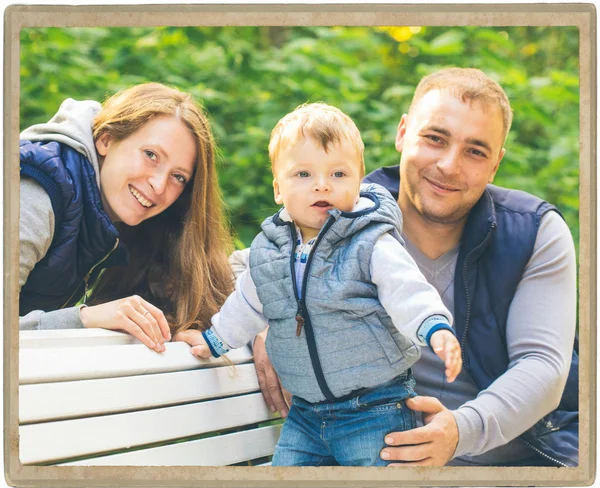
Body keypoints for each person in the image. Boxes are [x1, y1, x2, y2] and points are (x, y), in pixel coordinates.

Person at [211, 68, 578, 467]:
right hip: (368, 451)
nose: (449, 165)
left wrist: (459, 431)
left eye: (476, 151)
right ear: (403, 133)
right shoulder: (338, 210)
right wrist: (274, 321)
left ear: (495, 165)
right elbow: (245, 266)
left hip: (509, 465)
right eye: (435, 138)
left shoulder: (533, 232)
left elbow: (542, 367)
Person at [182, 103, 464, 467]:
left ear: (359, 184)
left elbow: (405, 289)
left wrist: (434, 326)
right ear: (278, 189)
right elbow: (248, 304)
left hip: (375, 408)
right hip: (305, 415)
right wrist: (214, 341)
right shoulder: (269, 253)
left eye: (338, 174)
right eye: (302, 174)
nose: (321, 184)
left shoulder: (370, 243)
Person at [19, 83, 234, 351]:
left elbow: (216, 282)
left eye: (178, 177)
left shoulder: (117, 220)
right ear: (106, 139)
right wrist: (85, 318)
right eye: (151, 155)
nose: (159, 185)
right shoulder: (33, 195)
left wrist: (255, 331)